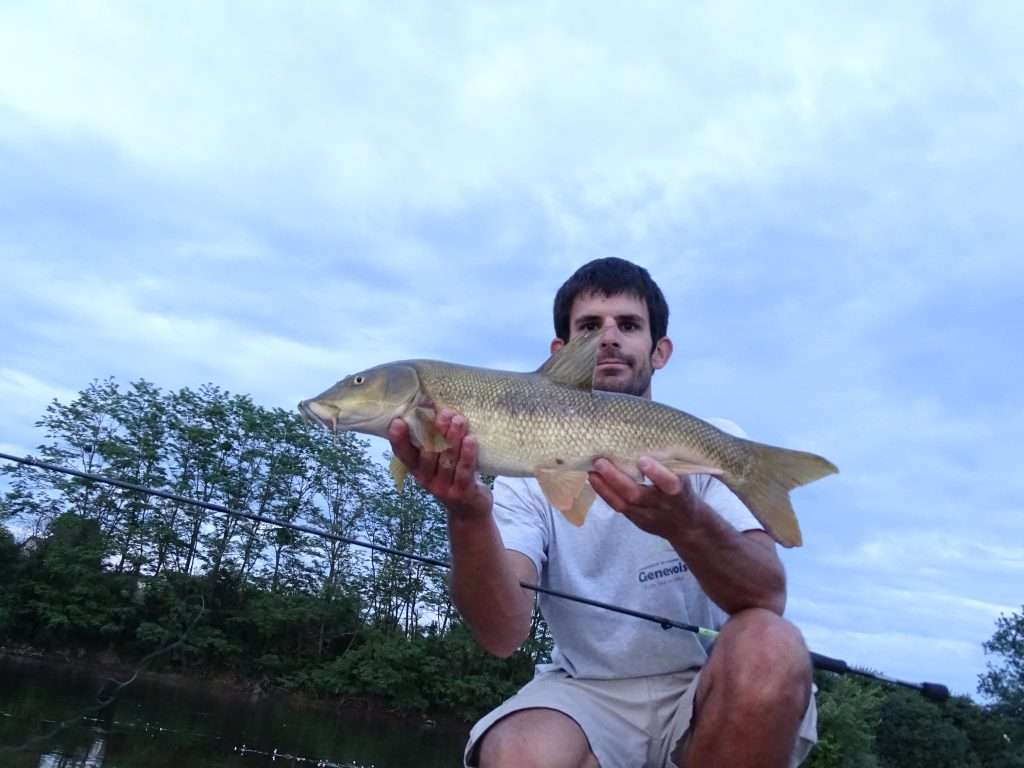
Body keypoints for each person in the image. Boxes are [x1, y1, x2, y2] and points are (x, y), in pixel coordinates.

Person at [387, 258, 818, 768]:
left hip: (701, 686)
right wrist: (466, 515)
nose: (609, 338)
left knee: (772, 645)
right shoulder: (524, 472)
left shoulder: (712, 444)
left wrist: (686, 524)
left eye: (629, 325)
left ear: (661, 351)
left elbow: (767, 595)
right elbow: (502, 634)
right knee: (520, 754)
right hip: (581, 693)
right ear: (560, 352)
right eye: (589, 327)